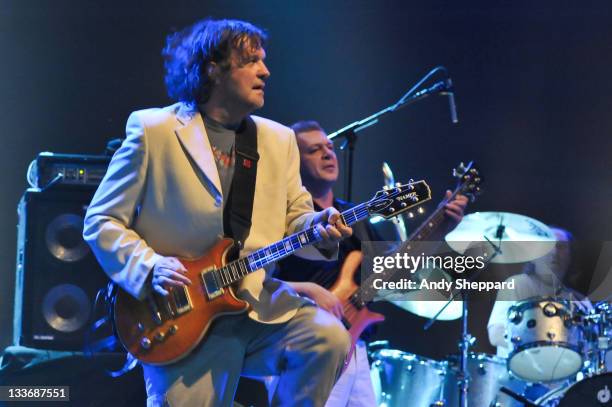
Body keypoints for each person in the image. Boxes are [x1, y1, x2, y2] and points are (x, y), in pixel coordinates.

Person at [83, 19, 353, 407]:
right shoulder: (153, 129)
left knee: (327, 338)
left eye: (264, 61)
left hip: (255, 306)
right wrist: (149, 266)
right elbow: (101, 220)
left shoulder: (277, 140)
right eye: (251, 61)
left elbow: (297, 219)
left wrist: (318, 226)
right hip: (178, 315)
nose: (266, 71)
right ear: (213, 68)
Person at [269, 120, 468, 406]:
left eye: (329, 147)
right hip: (306, 340)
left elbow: (395, 271)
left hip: (356, 346)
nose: (328, 154)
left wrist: (440, 227)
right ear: (294, 164)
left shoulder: (354, 216)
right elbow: (254, 280)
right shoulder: (286, 217)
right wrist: (308, 290)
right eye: (314, 150)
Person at [488, 226, 591, 357]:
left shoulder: (580, 300)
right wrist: (539, 353)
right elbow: (495, 334)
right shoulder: (517, 284)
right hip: (519, 374)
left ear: (571, 256)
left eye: (561, 247)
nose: (554, 252)